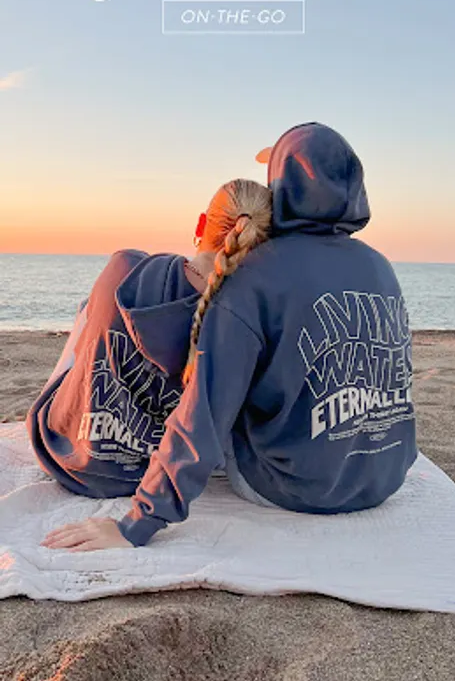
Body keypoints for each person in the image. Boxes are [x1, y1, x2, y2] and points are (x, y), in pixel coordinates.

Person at [42, 123, 417, 552]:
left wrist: (136, 525)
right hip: (385, 477)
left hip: (294, 487)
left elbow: (202, 417)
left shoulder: (255, 276)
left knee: (221, 386)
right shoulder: (381, 267)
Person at [28, 178, 272, 521]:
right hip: (155, 472)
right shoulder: (241, 317)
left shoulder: (126, 266)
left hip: (67, 456)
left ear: (201, 225)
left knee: (90, 308)